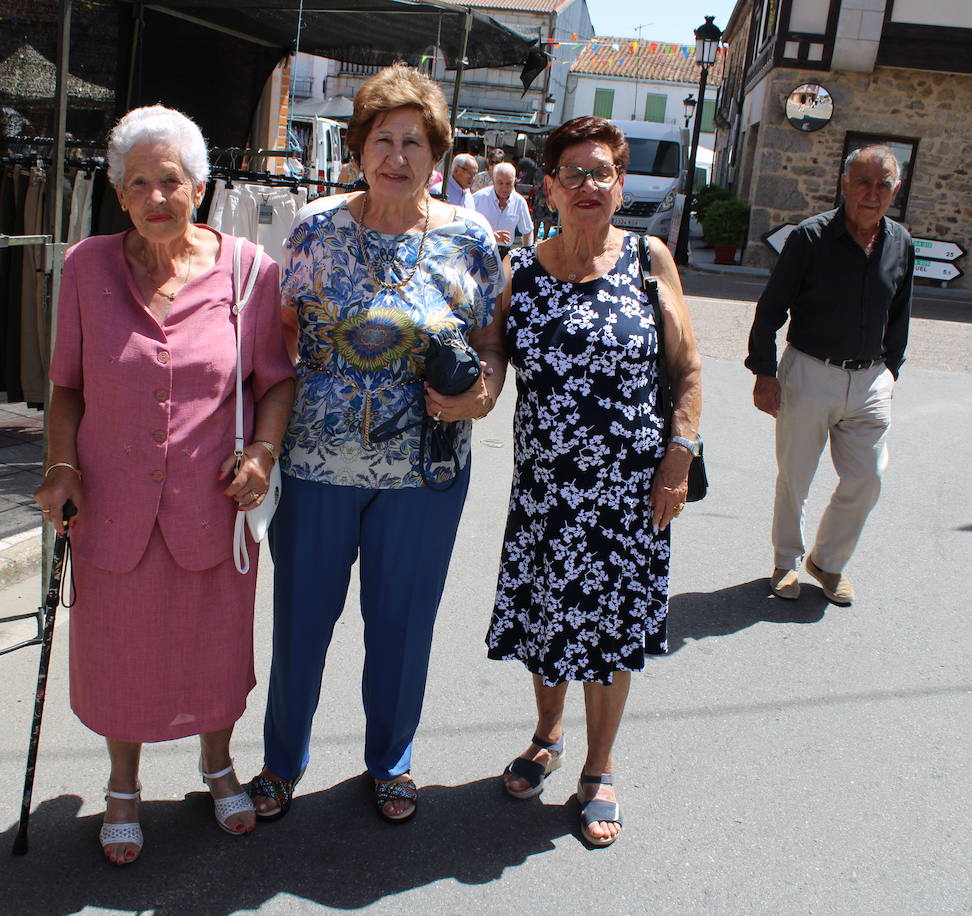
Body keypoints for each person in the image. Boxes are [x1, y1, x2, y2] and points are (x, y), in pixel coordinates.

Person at [33, 104, 296, 865]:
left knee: (212, 648)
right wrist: (60, 467)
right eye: (138, 183)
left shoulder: (250, 273)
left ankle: (218, 766)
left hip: (210, 505)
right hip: (112, 505)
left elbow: (274, 382)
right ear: (118, 193)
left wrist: (261, 455)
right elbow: (66, 389)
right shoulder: (85, 266)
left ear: (202, 186)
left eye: (170, 181)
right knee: (121, 652)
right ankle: (123, 785)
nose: (155, 198)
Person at [247, 63, 504, 825]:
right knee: (301, 621)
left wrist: (481, 395)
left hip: (424, 471)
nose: (398, 155)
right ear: (359, 148)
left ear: (437, 153)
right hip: (317, 466)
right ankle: (281, 762)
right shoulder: (315, 228)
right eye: (384, 139)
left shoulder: (472, 238)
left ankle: (391, 761)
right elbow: (280, 337)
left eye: (415, 142)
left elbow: (490, 340)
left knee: (401, 626)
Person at [486, 116, 702, 848]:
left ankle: (598, 767)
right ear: (548, 186)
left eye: (602, 172)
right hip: (547, 496)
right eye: (573, 172)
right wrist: (462, 392)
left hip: (628, 496)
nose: (588, 185)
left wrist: (678, 459)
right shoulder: (521, 274)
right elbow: (490, 365)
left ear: (619, 185)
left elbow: (688, 370)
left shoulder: (649, 260)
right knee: (548, 626)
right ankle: (546, 735)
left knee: (609, 638)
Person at [745, 145, 912, 606]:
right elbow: (772, 307)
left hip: (871, 380)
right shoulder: (811, 238)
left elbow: (900, 313)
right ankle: (786, 562)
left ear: (895, 191)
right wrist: (763, 370)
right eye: (863, 181)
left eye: (883, 184)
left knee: (868, 478)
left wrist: (891, 371)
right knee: (795, 477)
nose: (872, 193)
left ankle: (828, 561)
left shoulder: (901, 242)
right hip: (811, 372)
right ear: (844, 184)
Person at [472, 162, 534, 259]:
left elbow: (527, 231)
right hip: (479, 251)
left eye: (509, 183)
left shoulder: (519, 202)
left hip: (505, 254)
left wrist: (526, 255)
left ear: (515, 181)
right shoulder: (477, 199)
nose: (504, 188)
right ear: (493, 180)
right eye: (500, 183)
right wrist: (488, 236)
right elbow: (466, 227)